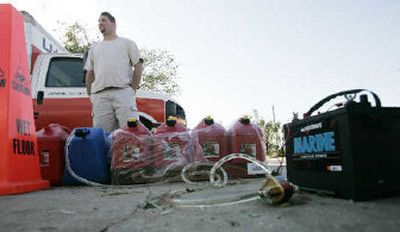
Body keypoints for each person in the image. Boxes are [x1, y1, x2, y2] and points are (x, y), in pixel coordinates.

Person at [85, 12, 143, 133]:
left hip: (123, 93)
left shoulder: (127, 43)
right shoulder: (94, 48)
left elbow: (138, 66)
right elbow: (89, 73)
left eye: (104, 20)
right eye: (99, 21)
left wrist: (132, 90)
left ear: (114, 23)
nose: (100, 23)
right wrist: (91, 95)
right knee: (102, 136)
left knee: (131, 134)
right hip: (100, 97)